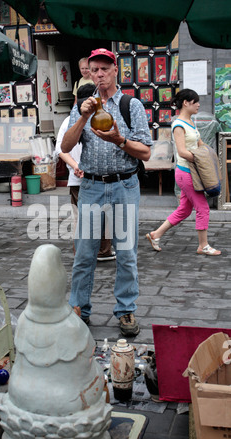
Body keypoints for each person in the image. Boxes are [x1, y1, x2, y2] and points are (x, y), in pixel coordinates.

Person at [61, 48, 152, 335]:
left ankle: (126, 311)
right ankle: (79, 308)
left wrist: (119, 139)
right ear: (88, 72)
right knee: (85, 254)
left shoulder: (131, 105)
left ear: (115, 71)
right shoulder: (82, 106)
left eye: (104, 68)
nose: (98, 74)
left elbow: (146, 153)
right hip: (91, 186)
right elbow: (65, 146)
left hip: (125, 185)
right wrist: (82, 118)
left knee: (126, 253)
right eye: (94, 69)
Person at [146, 88, 221, 256]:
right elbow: (181, 151)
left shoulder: (191, 122)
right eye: (196, 102)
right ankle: (203, 245)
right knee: (203, 208)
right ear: (186, 103)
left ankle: (155, 234)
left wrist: (209, 156)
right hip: (186, 172)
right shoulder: (178, 125)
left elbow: (199, 144)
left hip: (192, 171)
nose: (199, 105)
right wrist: (203, 161)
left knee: (185, 209)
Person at [55, 83, 116, 260]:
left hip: (81, 177)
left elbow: (59, 150)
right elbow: (62, 147)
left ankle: (84, 253)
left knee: (80, 218)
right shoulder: (96, 118)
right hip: (93, 178)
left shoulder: (70, 119)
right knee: (103, 215)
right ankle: (101, 251)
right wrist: (76, 166)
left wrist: (74, 166)